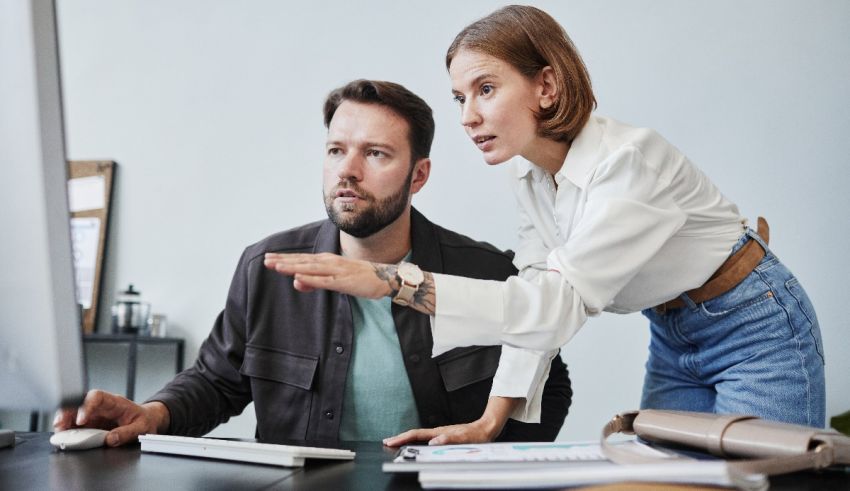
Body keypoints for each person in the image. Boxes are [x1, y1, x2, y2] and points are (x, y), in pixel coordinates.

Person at [264, 5, 826, 430]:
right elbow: (536, 293)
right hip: (673, 332)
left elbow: (556, 307)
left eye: (485, 89)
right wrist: (493, 418)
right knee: (667, 479)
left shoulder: (629, 163)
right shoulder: (528, 175)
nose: (468, 115)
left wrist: (393, 283)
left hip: (753, 322)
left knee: (762, 480)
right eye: (459, 97)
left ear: (547, 85)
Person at [54, 79, 572, 447]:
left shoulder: (483, 271)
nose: (346, 171)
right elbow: (216, 381)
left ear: (419, 176)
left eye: (375, 154)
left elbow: (548, 385)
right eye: (335, 150)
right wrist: (151, 414)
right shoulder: (267, 268)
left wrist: (486, 464)